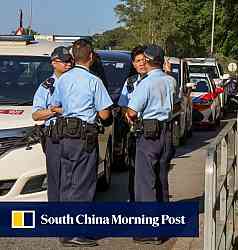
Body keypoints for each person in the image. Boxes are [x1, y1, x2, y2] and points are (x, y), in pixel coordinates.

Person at [50, 39, 113, 247]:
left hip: (64, 136)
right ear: (92, 57)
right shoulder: (94, 81)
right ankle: (77, 232)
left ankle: (65, 230)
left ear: (73, 58)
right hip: (84, 137)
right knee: (83, 185)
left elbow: (56, 105)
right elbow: (105, 114)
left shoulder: (63, 79)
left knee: (67, 183)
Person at [126, 44, 174, 245]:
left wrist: (131, 118)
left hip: (148, 134)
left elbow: (131, 111)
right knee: (162, 179)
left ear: (147, 60)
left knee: (145, 182)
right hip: (166, 132)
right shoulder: (171, 81)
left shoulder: (145, 84)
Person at [32, 46, 73, 202]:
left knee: (73, 180)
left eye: (70, 61)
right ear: (54, 63)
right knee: (55, 179)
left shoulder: (77, 83)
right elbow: (36, 115)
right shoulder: (46, 86)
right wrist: (55, 111)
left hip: (75, 136)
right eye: (64, 61)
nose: (68, 64)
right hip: (55, 137)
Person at [117, 45, 150, 202]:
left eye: (144, 60)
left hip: (153, 132)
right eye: (138, 61)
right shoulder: (130, 82)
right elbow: (123, 104)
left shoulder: (157, 80)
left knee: (152, 174)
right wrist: (127, 116)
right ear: (133, 64)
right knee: (134, 171)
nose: (141, 64)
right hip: (134, 132)